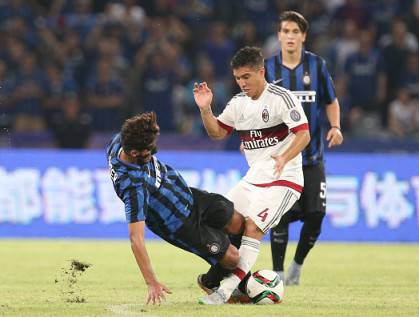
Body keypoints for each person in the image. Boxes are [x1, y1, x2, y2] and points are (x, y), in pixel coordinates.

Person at [193, 46, 310, 304]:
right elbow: (217, 133)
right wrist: (205, 109)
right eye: (237, 78)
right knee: (220, 219)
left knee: (253, 227)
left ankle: (224, 291)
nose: (242, 83)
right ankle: (234, 282)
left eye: (246, 76)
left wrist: (284, 156)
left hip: (284, 179)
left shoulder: (282, 98)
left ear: (261, 71)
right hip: (253, 180)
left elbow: (303, 134)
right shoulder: (238, 104)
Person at [106, 111, 245, 305]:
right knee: (232, 258)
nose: (153, 152)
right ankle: (210, 281)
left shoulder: (122, 141)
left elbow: (133, 130)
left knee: (239, 223)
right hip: (180, 224)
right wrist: (151, 282)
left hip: (189, 195)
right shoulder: (132, 186)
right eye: (149, 152)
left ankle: (232, 268)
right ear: (134, 153)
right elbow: (136, 239)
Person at [264, 11, 343, 285]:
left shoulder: (317, 66)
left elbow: (331, 101)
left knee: (316, 215)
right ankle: (278, 273)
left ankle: (296, 265)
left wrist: (335, 126)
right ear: (278, 35)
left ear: (303, 36)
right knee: (280, 218)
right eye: (285, 31)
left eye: (295, 32)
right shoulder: (267, 70)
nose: (290, 36)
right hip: (280, 159)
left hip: (312, 157)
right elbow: (255, 107)